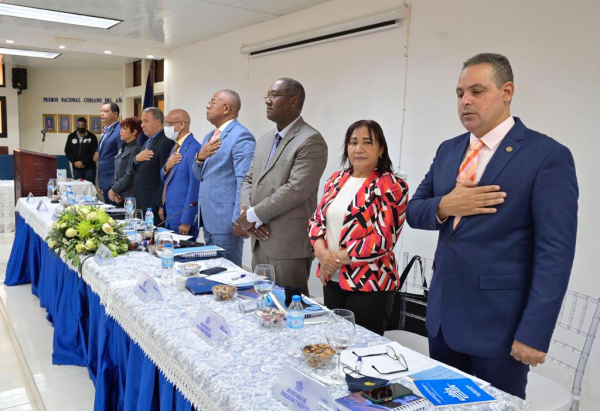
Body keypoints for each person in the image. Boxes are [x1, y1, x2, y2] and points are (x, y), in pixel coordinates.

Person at [406, 53, 578, 399]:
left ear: (507, 91)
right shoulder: (449, 150)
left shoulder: (546, 156)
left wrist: (535, 332)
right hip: (442, 320)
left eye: (476, 91)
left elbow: (555, 253)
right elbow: (413, 211)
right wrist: (445, 205)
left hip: (500, 329)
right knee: (441, 406)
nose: (465, 101)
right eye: (459, 93)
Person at [308, 120, 408, 335]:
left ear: (381, 149)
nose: (359, 149)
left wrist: (331, 261)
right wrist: (322, 254)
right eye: (353, 142)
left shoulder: (391, 185)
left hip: (370, 285)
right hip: (331, 279)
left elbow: (382, 240)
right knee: (332, 342)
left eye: (367, 142)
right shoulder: (336, 180)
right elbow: (316, 222)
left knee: (362, 351)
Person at [239, 78, 328, 295]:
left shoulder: (310, 140)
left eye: (274, 95)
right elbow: (248, 179)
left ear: (293, 101)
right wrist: (248, 213)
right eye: (267, 96)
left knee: (288, 306)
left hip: (287, 243)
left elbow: (296, 190)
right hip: (259, 236)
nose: (267, 101)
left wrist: (253, 216)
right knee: (262, 302)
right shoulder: (265, 140)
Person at [192, 90, 255, 266]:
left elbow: (243, 181)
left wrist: (239, 220)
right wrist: (199, 158)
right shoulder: (208, 137)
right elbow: (200, 176)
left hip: (227, 220)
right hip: (208, 217)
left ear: (226, 108)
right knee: (211, 270)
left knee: (226, 274)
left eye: (212, 102)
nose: (207, 106)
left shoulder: (241, 136)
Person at [159, 109, 201, 237]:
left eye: (168, 123)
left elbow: (195, 187)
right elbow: (165, 175)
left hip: (182, 215)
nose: (165, 127)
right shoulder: (176, 146)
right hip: (170, 211)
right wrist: (166, 167)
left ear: (181, 125)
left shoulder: (194, 148)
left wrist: (187, 220)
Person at [132, 107, 175, 217]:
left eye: (146, 121)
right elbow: (139, 169)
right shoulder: (147, 141)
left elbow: (165, 176)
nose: (142, 125)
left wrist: (161, 204)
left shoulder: (166, 142)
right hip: (141, 198)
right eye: (142, 121)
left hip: (153, 202)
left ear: (158, 122)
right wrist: (136, 160)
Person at [108, 117, 142, 204]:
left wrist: (114, 189)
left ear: (134, 132)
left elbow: (129, 175)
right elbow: (117, 171)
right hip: (119, 193)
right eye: (121, 128)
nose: (121, 131)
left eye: (125, 129)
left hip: (129, 195)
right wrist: (114, 190)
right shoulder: (124, 147)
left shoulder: (135, 149)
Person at [94, 102, 123, 204]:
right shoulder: (107, 131)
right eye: (101, 111)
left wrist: (116, 186)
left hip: (113, 182)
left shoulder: (120, 130)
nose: (102, 114)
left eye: (106, 111)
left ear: (115, 114)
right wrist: (102, 184)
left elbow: (121, 158)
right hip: (105, 180)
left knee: (115, 215)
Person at [64, 117, 98, 184]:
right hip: (76, 168)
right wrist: (75, 162)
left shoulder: (92, 137)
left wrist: (82, 162)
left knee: (90, 188)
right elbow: (67, 151)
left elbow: (93, 152)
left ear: (86, 126)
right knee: (78, 188)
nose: (80, 127)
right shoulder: (71, 136)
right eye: (79, 125)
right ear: (77, 125)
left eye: (82, 126)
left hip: (89, 168)